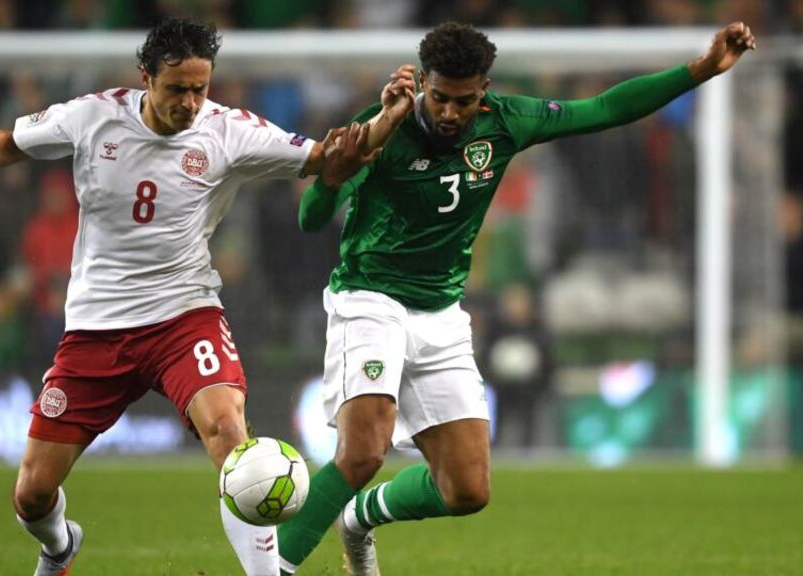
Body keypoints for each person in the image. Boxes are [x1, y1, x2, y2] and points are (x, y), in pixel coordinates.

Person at [0, 17, 414, 576]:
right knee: (32, 494)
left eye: (200, 88)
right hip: (96, 329)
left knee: (231, 438)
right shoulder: (92, 117)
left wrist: (387, 120)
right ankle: (59, 546)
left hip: (185, 316)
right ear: (146, 79)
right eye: (177, 88)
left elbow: (330, 156)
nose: (190, 102)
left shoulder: (229, 131)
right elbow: (8, 144)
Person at [277, 21, 755, 575]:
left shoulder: (506, 121)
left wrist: (700, 70)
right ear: (422, 82)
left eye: (464, 101)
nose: (450, 112)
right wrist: (330, 181)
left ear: (484, 91)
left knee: (467, 489)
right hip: (370, 299)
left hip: (441, 313)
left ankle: (361, 515)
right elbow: (311, 219)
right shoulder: (383, 125)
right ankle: (271, 567)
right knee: (362, 453)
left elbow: (605, 109)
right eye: (440, 97)